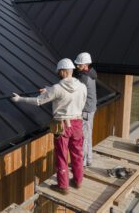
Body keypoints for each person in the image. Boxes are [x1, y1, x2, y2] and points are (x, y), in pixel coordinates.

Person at [11, 58, 87, 194]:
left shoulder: (57, 89)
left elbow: (39, 101)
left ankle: (63, 187)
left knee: (62, 156)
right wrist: (48, 90)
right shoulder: (82, 86)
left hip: (62, 125)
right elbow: (78, 100)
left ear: (63, 72)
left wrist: (19, 99)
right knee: (77, 154)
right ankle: (78, 181)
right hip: (78, 124)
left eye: (59, 72)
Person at [74, 52, 97, 168]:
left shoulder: (83, 77)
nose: (77, 66)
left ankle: (82, 164)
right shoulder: (91, 73)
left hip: (86, 110)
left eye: (79, 64)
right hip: (91, 109)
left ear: (85, 65)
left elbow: (74, 90)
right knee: (88, 135)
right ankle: (88, 160)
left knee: (84, 137)